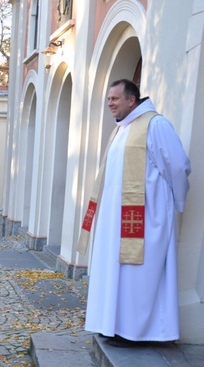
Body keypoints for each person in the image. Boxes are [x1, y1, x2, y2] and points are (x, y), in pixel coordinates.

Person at [79, 79, 191, 347]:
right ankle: (113, 325)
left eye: (115, 99)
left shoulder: (156, 125)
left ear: (132, 100)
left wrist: (170, 204)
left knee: (137, 274)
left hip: (146, 218)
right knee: (115, 272)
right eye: (108, 99)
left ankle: (137, 331)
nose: (110, 104)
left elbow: (178, 166)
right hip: (115, 221)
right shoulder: (121, 130)